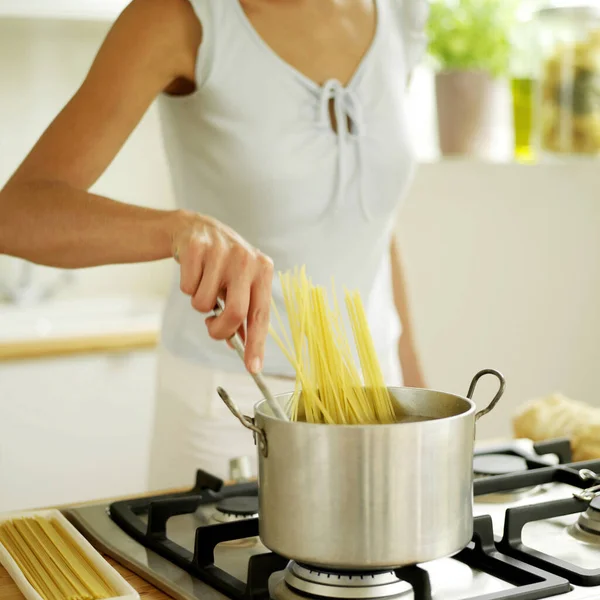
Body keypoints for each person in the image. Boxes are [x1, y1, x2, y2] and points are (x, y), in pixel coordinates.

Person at [0, 0, 428, 487]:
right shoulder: (177, 17)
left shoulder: (401, 13)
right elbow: (16, 213)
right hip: (235, 407)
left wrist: (417, 400)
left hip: (377, 397)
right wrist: (179, 229)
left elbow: (371, 226)